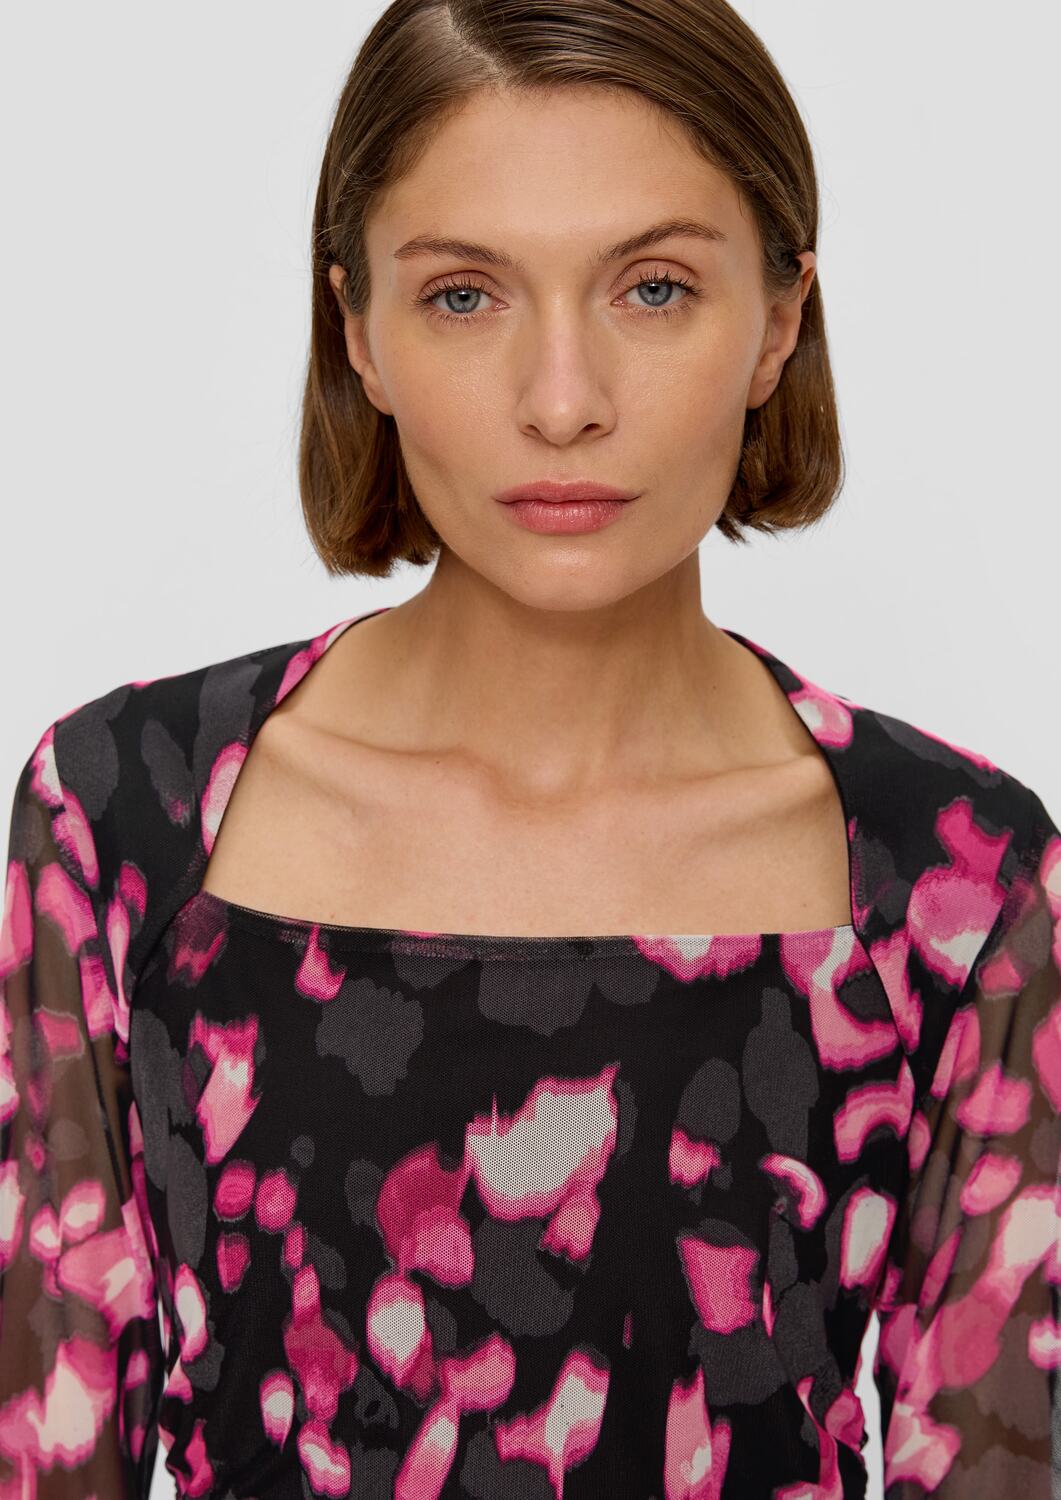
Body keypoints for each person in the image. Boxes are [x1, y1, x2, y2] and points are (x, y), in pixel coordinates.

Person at [0, 0, 1057, 1495]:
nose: (563, 402)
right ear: (356, 329)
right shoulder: (127, 820)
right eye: (463, 296)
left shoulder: (958, 884)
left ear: (778, 319)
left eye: (653, 288)